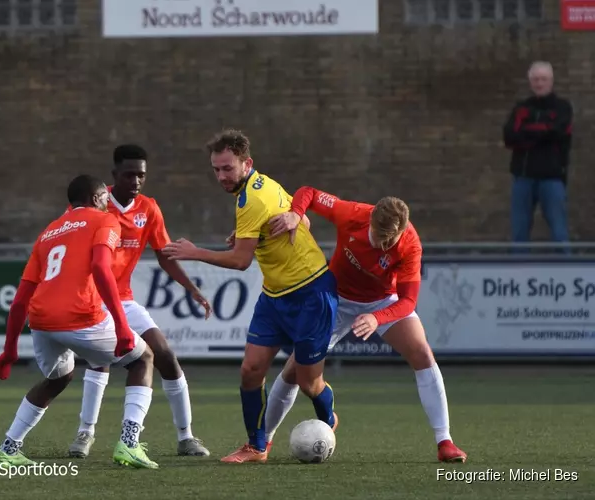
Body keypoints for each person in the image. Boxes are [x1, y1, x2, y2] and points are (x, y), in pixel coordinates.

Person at [162, 129, 339, 464]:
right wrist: (253, 235)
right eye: (216, 169)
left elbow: (241, 262)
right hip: (274, 296)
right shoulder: (263, 186)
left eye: (227, 168)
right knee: (250, 370)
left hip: (311, 293)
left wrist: (194, 251)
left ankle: (328, 418)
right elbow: (303, 226)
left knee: (309, 383)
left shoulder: (253, 199)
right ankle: (256, 447)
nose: (221, 176)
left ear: (247, 163)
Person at [266, 187, 468, 463]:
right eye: (378, 237)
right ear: (371, 219)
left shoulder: (410, 244)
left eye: (390, 242)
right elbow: (308, 193)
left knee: (422, 353)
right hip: (337, 298)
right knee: (295, 372)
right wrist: (295, 213)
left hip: (381, 302)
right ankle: (261, 442)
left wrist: (377, 317)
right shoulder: (352, 214)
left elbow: (408, 301)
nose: (382, 246)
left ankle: (445, 441)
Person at [0, 175, 159, 470]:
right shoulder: (104, 221)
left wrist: (9, 350)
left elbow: (20, 300)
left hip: (42, 320)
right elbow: (100, 267)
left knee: (58, 378)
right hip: (80, 315)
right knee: (143, 358)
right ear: (95, 198)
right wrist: (121, 326)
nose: (108, 202)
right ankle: (129, 444)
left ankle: (8, 448)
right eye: (104, 198)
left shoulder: (49, 232)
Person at [68, 145, 212, 459]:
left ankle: (186, 437)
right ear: (114, 175)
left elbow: (164, 256)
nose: (135, 180)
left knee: (164, 354)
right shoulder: (95, 204)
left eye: (141, 175)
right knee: (99, 360)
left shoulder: (149, 209)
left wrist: (192, 289)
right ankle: (85, 433)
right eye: (129, 174)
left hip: (124, 300)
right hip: (92, 299)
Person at [503, 61, 573, 250]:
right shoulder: (521, 108)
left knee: (559, 233)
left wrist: (526, 132)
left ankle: (566, 274)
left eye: (543, 79)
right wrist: (542, 132)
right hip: (523, 178)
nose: (539, 83)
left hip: (552, 178)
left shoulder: (562, 107)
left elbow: (557, 132)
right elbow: (509, 137)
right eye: (535, 79)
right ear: (530, 82)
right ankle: (518, 277)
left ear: (551, 81)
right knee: (519, 234)